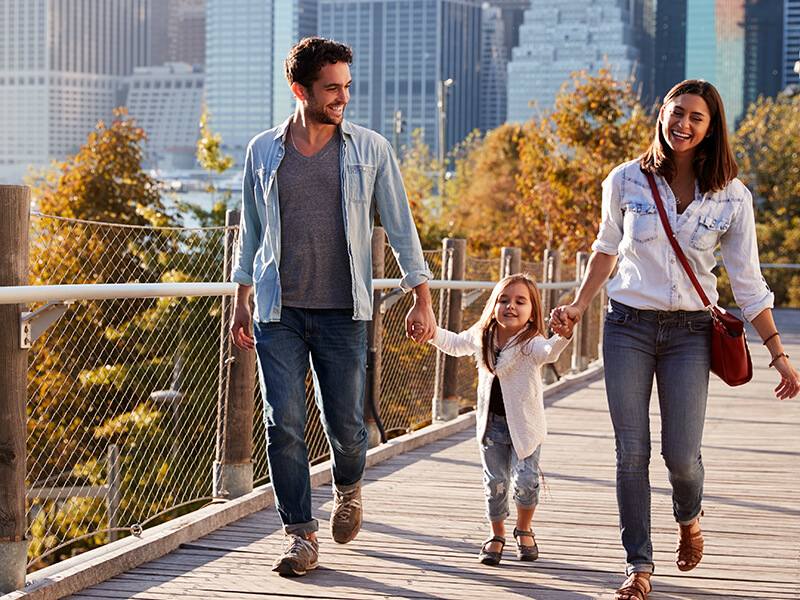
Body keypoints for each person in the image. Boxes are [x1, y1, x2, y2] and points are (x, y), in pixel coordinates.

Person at [550, 79, 800, 600]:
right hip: (627, 325)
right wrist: (577, 305)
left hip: (690, 332)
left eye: (696, 118)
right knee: (630, 451)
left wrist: (778, 353)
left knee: (682, 456)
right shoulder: (625, 180)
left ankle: (689, 517)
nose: (683, 124)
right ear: (661, 113)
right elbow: (606, 249)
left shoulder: (733, 196)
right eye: (676, 112)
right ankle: (638, 565)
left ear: (711, 129)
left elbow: (748, 285)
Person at [229, 37, 436, 577]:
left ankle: (349, 488)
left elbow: (401, 227)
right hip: (280, 311)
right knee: (283, 424)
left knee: (346, 425)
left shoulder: (371, 149)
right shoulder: (262, 151)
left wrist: (422, 299)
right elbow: (250, 232)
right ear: (300, 90)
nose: (343, 96)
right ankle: (300, 533)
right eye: (331, 88)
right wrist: (241, 300)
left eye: (347, 86)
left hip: (346, 312)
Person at [418, 273, 574, 566]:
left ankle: (524, 529)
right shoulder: (482, 335)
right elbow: (454, 343)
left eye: (520, 301)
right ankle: (497, 534)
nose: (510, 306)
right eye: (504, 300)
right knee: (496, 484)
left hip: (525, 427)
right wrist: (431, 331)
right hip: (491, 426)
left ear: (532, 312)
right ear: (493, 305)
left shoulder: (532, 342)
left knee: (526, 482)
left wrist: (563, 335)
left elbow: (550, 352)